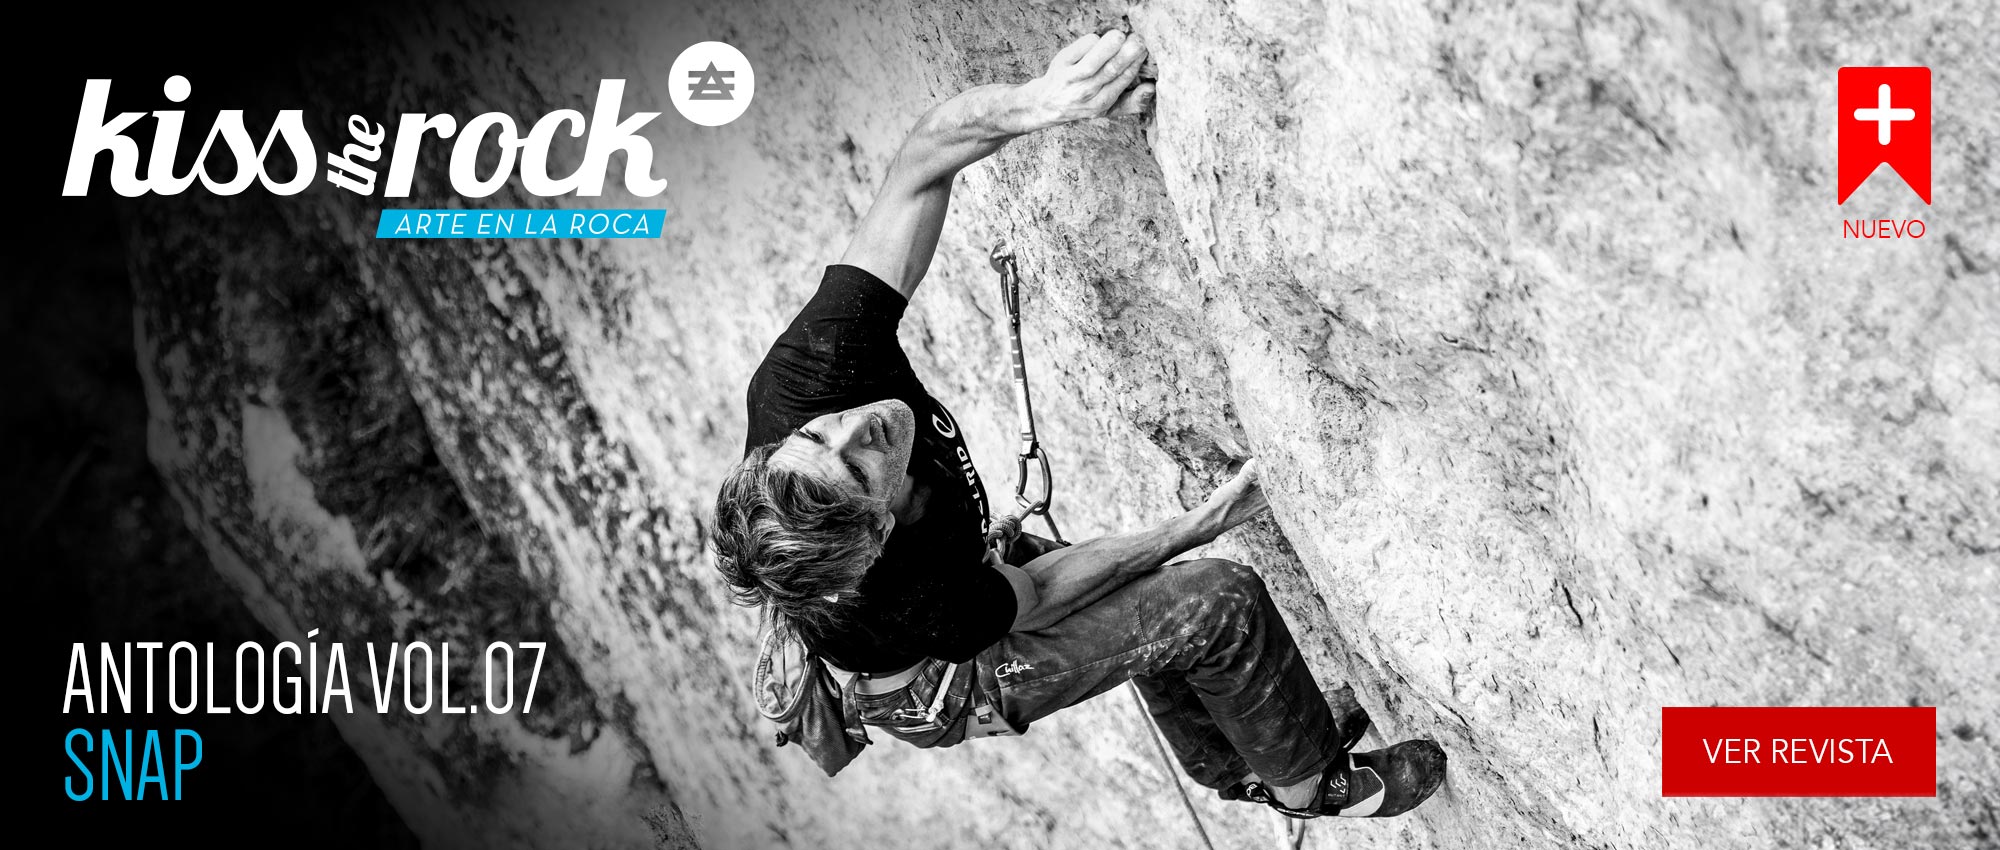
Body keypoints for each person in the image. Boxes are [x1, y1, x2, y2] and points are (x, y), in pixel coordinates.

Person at [712, 29, 1445, 819]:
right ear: (879, 532)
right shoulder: (914, 599)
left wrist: (1043, 102)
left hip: (944, 584)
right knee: (1216, 602)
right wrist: (1202, 522)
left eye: (820, 436)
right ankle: (1310, 785)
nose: (861, 425)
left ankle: (1233, 762)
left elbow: (922, 164)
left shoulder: (808, 380)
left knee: (1136, 595)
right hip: (944, 679)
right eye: (860, 466)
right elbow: (1035, 594)